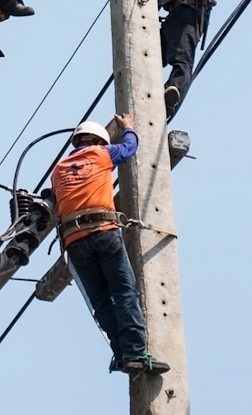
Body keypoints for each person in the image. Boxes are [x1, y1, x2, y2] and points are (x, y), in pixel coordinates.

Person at [50, 115, 170, 375]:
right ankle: (135, 352)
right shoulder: (100, 154)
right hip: (103, 232)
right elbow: (129, 148)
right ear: (98, 141)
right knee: (124, 292)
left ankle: (121, 354)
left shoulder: (58, 169)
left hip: (74, 242)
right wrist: (129, 127)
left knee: (102, 302)